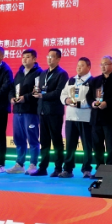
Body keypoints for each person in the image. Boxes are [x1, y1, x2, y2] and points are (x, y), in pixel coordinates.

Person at [33, 48, 69, 177]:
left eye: (52, 57)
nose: (49, 59)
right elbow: (40, 89)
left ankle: (58, 168)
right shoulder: (43, 73)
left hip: (54, 112)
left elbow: (59, 92)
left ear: (58, 59)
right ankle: (42, 168)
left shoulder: (62, 74)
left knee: (56, 141)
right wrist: (36, 92)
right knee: (44, 142)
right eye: (48, 56)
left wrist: (43, 95)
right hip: (42, 111)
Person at [9, 49, 42, 174]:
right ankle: (19, 163)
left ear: (34, 59)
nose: (24, 59)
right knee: (19, 139)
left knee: (32, 138)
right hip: (18, 111)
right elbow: (12, 89)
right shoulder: (19, 73)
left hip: (30, 111)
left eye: (28, 57)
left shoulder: (39, 73)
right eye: (23, 57)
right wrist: (11, 98)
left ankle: (33, 164)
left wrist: (25, 98)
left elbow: (37, 91)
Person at [61, 57, 95, 178]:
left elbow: (92, 99)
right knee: (70, 145)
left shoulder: (92, 81)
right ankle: (68, 169)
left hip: (85, 118)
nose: (78, 68)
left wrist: (80, 104)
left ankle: (86, 169)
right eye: (77, 65)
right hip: (71, 117)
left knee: (87, 146)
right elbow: (63, 94)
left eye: (82, 65)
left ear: (89, 67)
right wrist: (66, 100)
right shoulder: (71, 80)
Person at [89, 55, 112, 175]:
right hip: (96, 118)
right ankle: (100, 169)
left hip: (110, 118)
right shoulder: (95, 80)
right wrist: (92, 102)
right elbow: (88, 96)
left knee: (111, 146)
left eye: (106, 64)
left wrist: (107, 103)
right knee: (97, 146)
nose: (103, 66)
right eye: (101, 64)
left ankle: (111, 170)